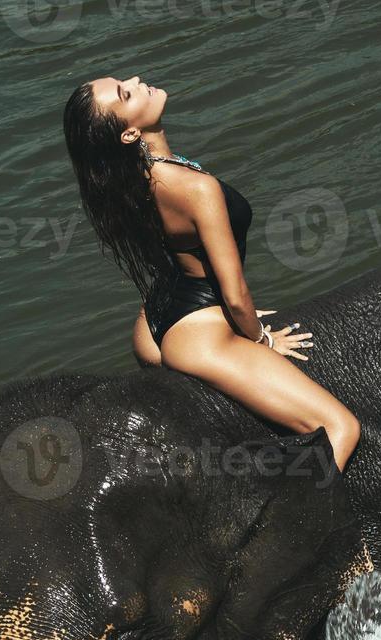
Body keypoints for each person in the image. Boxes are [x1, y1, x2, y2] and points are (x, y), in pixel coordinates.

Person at [63, 74, 361, 471]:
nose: (135, 79)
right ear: (130, 133)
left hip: (154, 319)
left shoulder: (129, 181)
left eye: (124, 80)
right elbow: (235, 292)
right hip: (198, 335)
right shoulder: (193, 188)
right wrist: (260, 338)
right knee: (340, 428)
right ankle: (313, 531)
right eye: (125, 92)